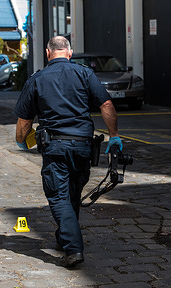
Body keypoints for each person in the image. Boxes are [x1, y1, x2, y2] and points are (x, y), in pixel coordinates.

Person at [13, 36, 122, 267]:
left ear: (47, 52)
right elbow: (107, 105)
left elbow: (24, 120)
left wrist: (22, 141)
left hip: (55, 148)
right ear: (69, 53)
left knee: (59, 196)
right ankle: (64, 239)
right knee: (72, 194)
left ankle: (73, 248)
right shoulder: (85, 74)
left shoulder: (37, 79)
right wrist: (114, 136)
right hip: (83, 147)